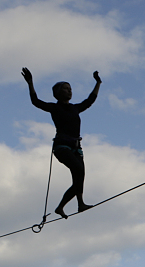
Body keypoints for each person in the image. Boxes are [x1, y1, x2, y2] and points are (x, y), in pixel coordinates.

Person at [22, 68, 101, 218]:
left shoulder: (75, 108)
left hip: (76, 148)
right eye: (65, 88)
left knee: (79, 179)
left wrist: (98, 83)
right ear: (58, 92)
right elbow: (35, 102)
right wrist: (30, 83)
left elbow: (90, 101)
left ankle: (77, 205)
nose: (69, 91)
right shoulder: (54, 107)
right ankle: (73, 205)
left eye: (70, 88)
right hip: (62, 147)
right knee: (78, 170)